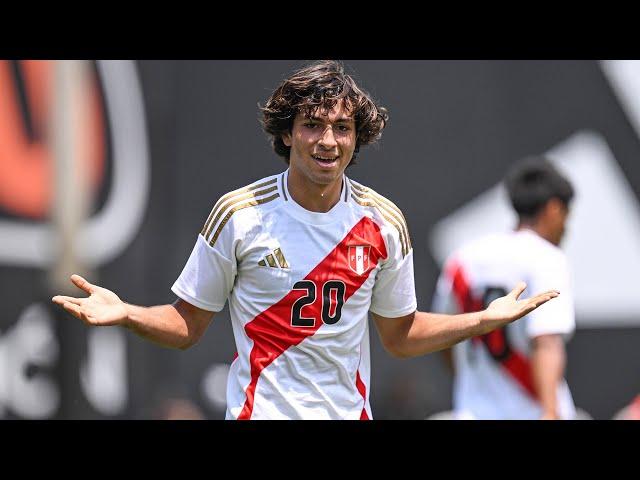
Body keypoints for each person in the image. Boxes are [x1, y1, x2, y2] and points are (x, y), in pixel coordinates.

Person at [52, 61, 558, 420]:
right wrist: (127, 313)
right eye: (312, 125)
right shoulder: (240, 214)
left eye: (342, 127)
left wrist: (481, 322)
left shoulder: (383, 224)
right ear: (287, 133)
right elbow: (187, 325)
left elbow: (399, 337)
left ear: (358, 137)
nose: (328, 141)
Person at [432, 157, 576, 420]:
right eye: (567, 216)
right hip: (531, 413)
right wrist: (550, 413)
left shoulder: (463, 258)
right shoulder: (546, 257)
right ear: (554, 209)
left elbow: (442, 335)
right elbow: (546, 342)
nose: (567, 228)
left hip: (472, 413)